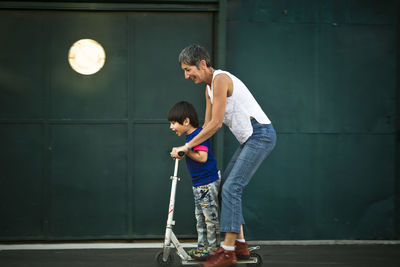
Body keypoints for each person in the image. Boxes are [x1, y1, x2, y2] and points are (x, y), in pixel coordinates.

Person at [171, 44, 277, 267]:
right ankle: (240, 245)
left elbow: (216, 124)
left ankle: (227, 250)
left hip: (261, 134)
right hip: (250, 139)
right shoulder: (208, 88)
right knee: (224, 188)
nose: (186, 75)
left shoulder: (220, 79)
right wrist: (188, 148)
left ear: (202, 64)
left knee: (231, 188)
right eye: (184, 71)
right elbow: (207, 125)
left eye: (188, 69)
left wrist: (187, 146)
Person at [168, 101, 221, 260]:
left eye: (173, 123)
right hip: (199, 184)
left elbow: (202, 158)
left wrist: (184, 151)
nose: (171, 127)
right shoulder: (190, 138)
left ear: (186, 121)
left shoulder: (198, 135)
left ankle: (214, 251)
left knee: (210, 218)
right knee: (200, 218)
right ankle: (202, 248)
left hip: (206, 184)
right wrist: (183, 150)